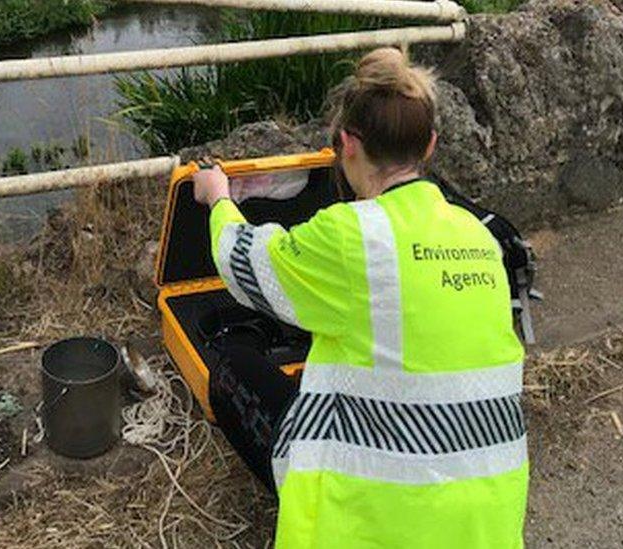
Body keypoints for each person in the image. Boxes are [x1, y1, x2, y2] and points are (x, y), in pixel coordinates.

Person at [192, 47, 528, 549]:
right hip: (488, 523)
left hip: (378, 522)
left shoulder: (353, 236)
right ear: (430, 145)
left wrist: (218, 195)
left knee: (234, 368)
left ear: (347, 143)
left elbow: (245, 264)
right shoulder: (478, 235)